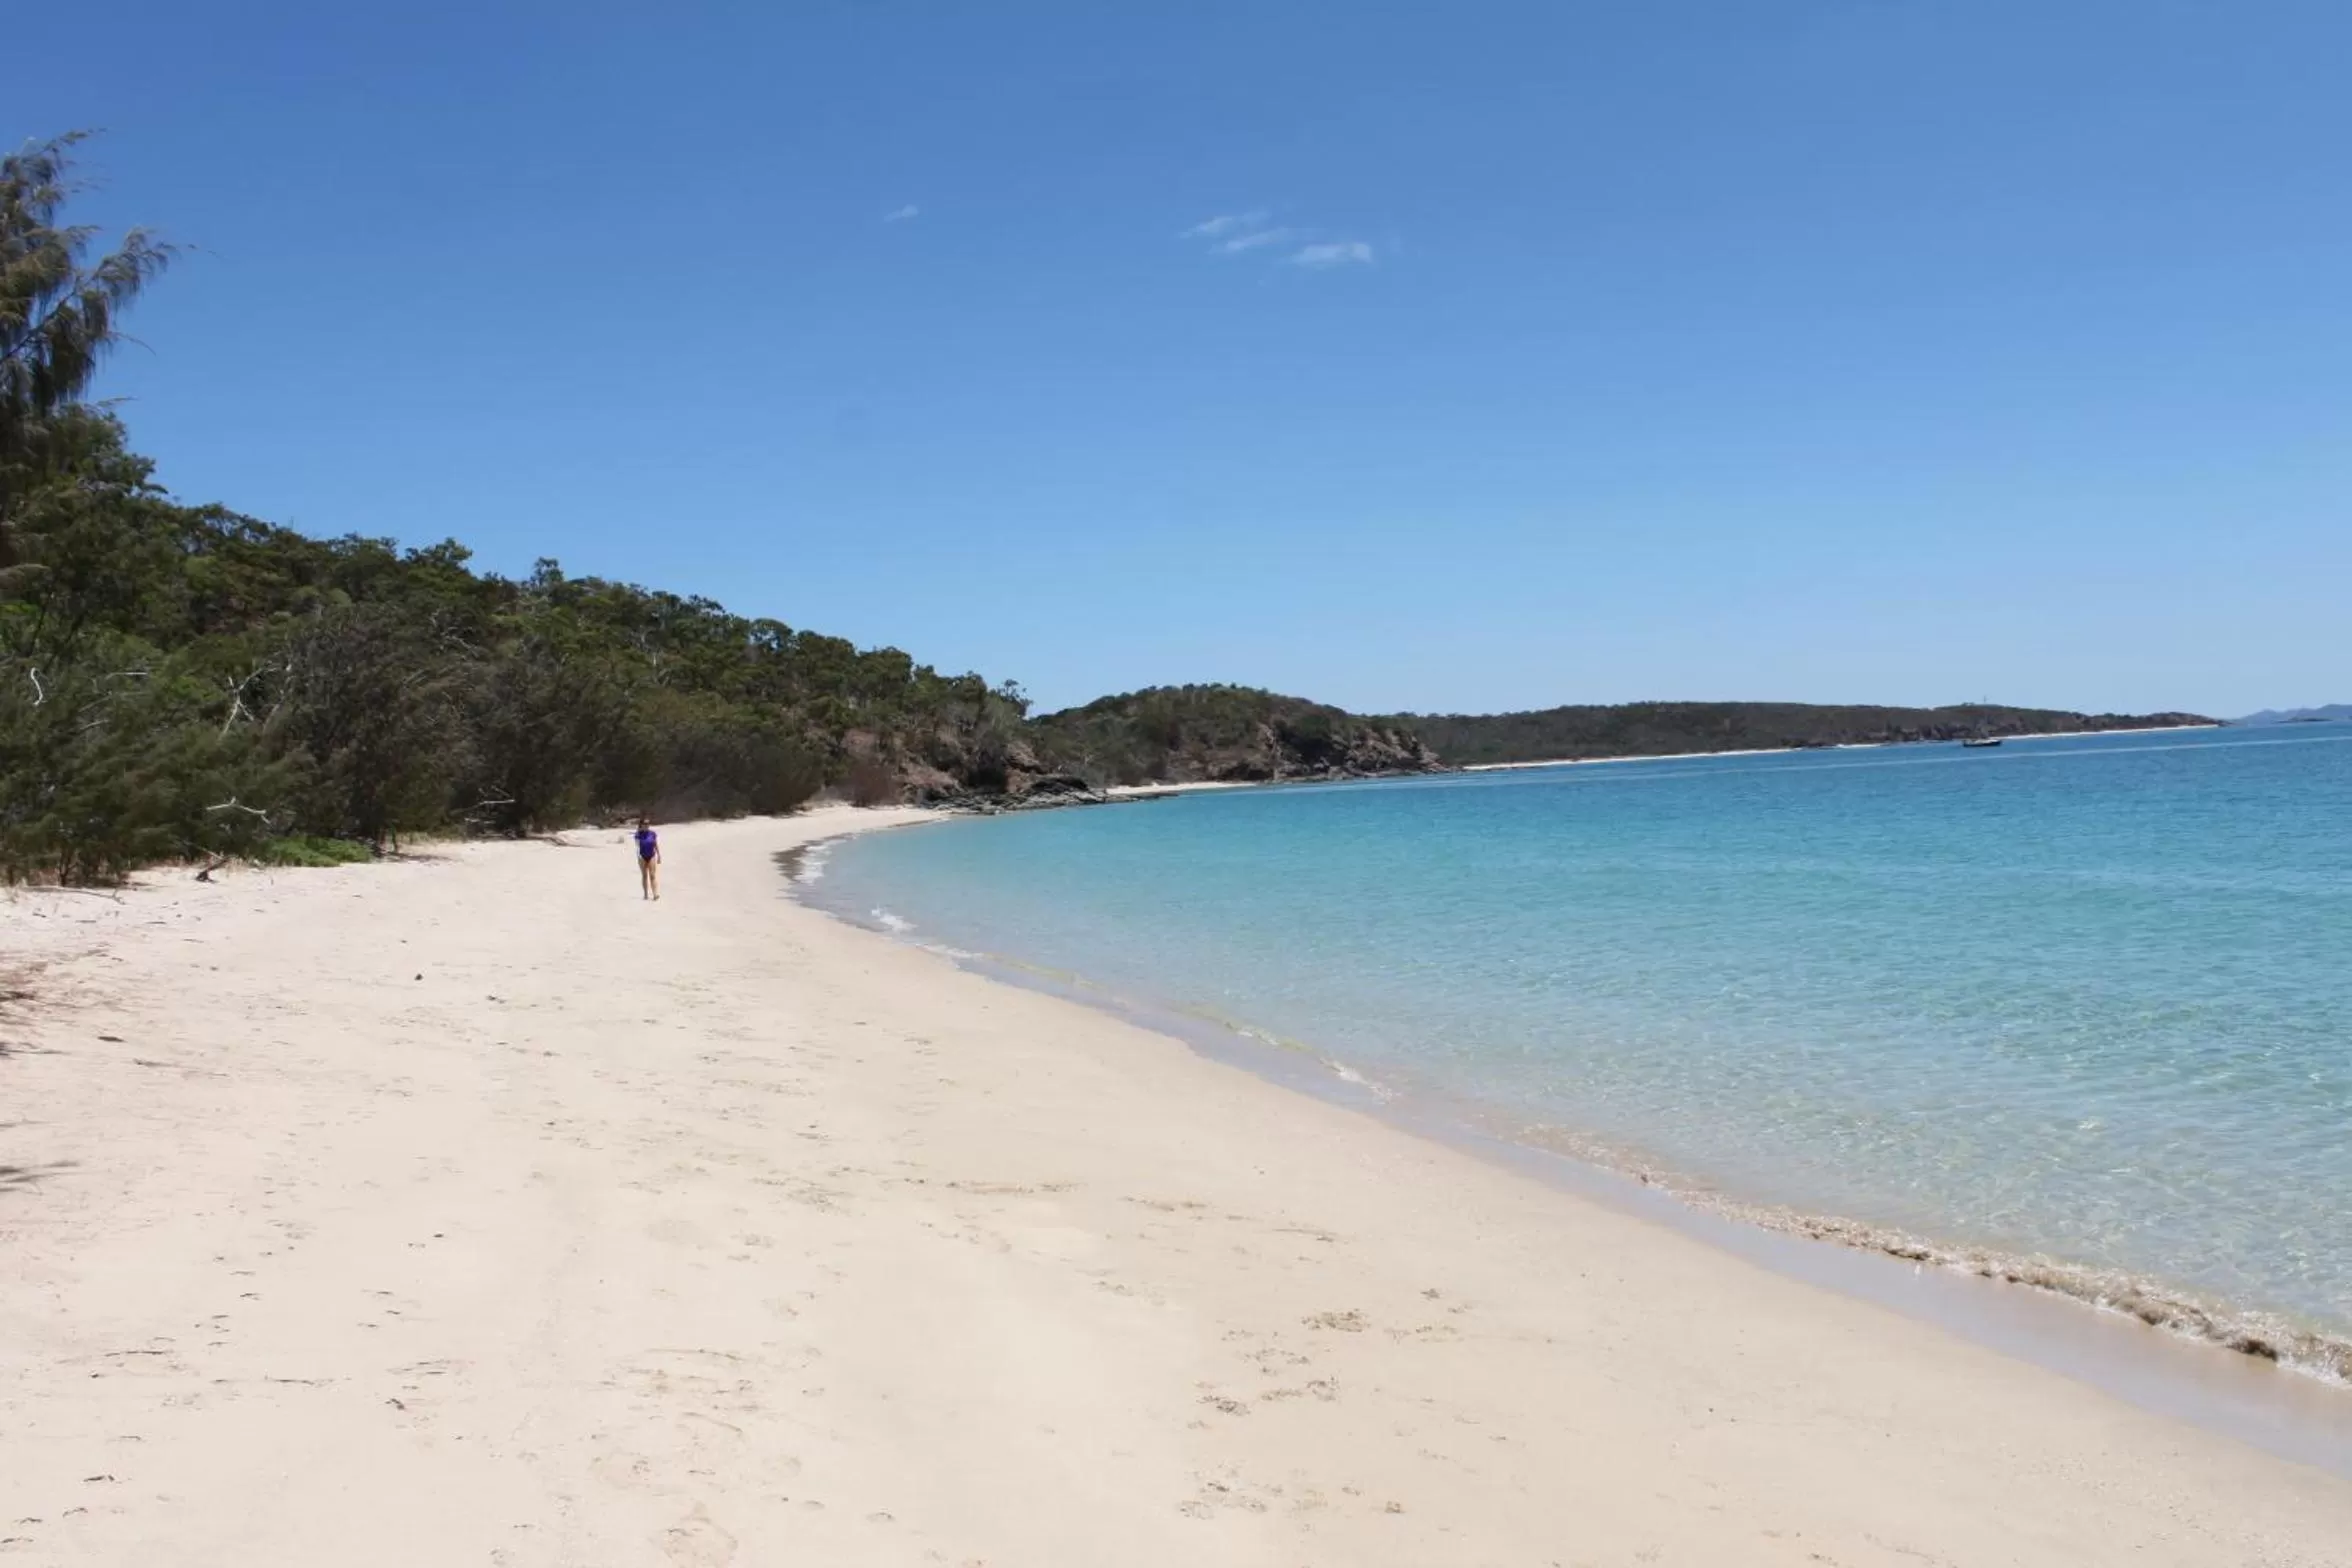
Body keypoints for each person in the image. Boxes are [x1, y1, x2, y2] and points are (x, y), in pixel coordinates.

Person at [633, 816, 661, 901]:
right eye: (645, 824)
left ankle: (655, 894)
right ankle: (645, 894)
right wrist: (639, 856)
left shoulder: (652, 833)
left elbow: (655, 844)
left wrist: (659, 855)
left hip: (651, 855)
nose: (647, 825)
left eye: (648, 824)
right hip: (642, 856)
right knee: (644, 875)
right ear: (641, 825)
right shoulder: (638, 835)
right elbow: (637, 846)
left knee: (652, 875)